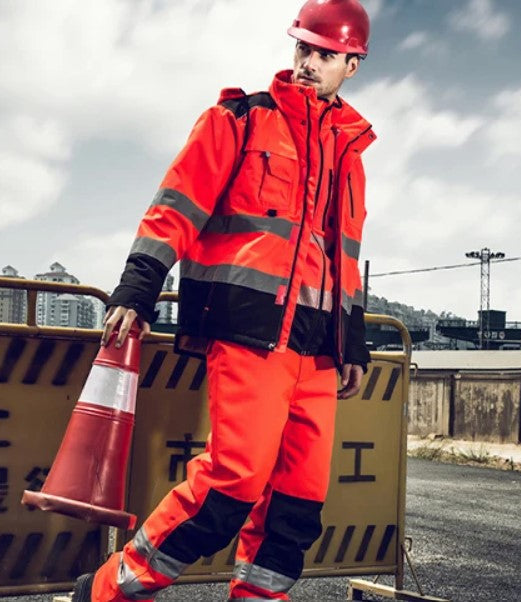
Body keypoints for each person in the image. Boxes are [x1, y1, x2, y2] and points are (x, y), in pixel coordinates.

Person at [74, 1, 375, 600]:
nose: (309, 62)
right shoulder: (237, 121)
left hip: (317, 352)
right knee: (232, 482)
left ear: (352, 65)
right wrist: (138, 285)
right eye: (303, 48)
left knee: (297, 502)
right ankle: (106, 591)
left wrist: (354, 344)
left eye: (325, 55)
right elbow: (175, 207)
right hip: (249, 335)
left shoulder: (350, 156)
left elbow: (344, 258)